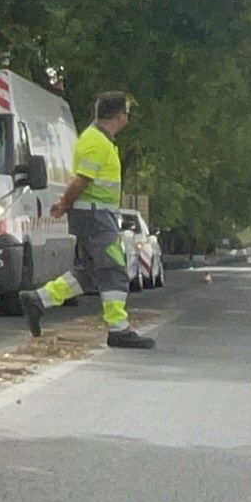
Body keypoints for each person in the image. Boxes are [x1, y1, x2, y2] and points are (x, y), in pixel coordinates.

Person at [30, 91, 154, 348]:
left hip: (95, 215)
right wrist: (64, 204)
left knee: (90, 272)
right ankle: (119, 328)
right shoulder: (96, 142)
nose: (128, 119)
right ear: (119, 116)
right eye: (127, 114)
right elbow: (81, 180)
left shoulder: (100, 140)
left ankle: (39, 300)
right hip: (96, 216)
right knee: (114, 269)